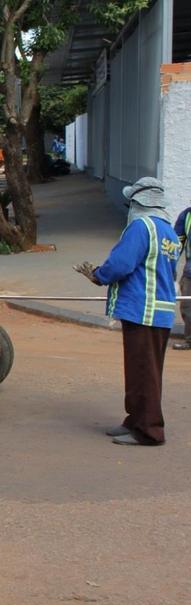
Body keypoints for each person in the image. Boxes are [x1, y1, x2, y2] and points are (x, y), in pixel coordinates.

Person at [75, 177, 180, 446]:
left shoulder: (140, 227)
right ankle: (134, 421)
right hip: (160, 310)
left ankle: (149, 431)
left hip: (143, 310)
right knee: (143, 370)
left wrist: (99, 275)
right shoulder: (166, 230)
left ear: (137, 202)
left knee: (143, 372)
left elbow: (121, 264)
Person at [173, 203, 191, 350]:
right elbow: (175, 246)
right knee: (187, 307)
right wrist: (170, 268)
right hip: (190, 273)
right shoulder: (186, 216)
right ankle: (190, 339)